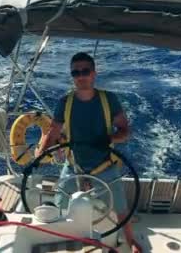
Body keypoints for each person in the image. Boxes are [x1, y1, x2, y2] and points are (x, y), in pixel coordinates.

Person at [35, 52, 142, 253]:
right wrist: (39, 156)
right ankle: (63, 240)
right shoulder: (64, 102)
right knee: (61, 205)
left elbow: (126, 132)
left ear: (94, 73)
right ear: (72, 76)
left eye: (85, 71)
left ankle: (130, 241)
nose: (80, 76)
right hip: (74, 165)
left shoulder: (109, 99)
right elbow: (54, 132)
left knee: (120, 208)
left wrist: (110, 139)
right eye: (76, 72)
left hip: (104, 165)